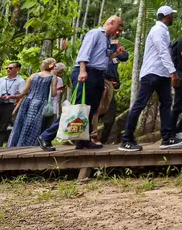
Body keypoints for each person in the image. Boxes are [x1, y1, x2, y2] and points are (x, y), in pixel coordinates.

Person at [37, 16, 124, 152]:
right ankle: (46, 136)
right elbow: (84, 53)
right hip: (86, 72)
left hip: (98, 74)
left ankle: (83, 140)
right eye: (118, 26)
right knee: (76, 108)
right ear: (111, 22)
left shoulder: (107, 39)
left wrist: (116, 54)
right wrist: (83, 71)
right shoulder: (95, 33)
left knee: (90, 109)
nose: (118, 31)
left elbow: (102, 58)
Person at [118, 6, 182, 152]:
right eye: (171, 15)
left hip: (162, 74)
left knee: (166, 103)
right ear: (167, 15)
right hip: (152, 73)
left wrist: (169, 72)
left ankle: (167, 138)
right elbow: (162, 52)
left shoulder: (163, 31)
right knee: (140, 104)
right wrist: (173, 72)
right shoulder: (158, 30)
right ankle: (126, 140)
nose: (173, 17)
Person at [8, 58, 59, 147]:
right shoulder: (53, 78)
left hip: (27, 101)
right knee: (34, 127)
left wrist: (13, 96)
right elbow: (54, 94)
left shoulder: (33, 75)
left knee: (21, 124)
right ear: (53, 67)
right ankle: (30, 145)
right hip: (40, 103)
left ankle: (15, 144)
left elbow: (24, 92)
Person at [98, 32, 128, 144]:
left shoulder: (116, 51)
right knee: (95, 114)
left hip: (110, 85)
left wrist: (118, 46)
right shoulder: (101, 48)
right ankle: (89, 139)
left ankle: (103, 141)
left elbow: (125, 57)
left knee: (110, 118)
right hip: (99, 83)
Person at [43, 63, 66, 132]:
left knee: (50, 123)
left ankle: (45, 136)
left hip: (54, 103)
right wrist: (56, 89)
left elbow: (59, 93)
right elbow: (53, 93)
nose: (59, 73)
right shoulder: (46, 77)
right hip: (46, 103)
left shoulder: (59, 79)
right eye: (58, 71)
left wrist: (61, 90)